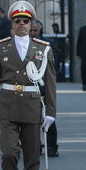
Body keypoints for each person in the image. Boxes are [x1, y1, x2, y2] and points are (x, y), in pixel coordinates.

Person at [0, 1, 56, 170]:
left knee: (32, 155)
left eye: (26, 20)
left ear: (31, 22)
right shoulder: (0, 47)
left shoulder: (43, 49)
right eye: (18, 21)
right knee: (9, 153)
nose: (22, 24)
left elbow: (50, 83)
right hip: (6, 106)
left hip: (33, 106)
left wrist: (51, 112)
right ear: (12, 23)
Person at [30, 19, 59, 157]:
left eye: (35, 30)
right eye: (31, 30)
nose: (32, 33)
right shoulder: (25, 44)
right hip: (30, 87)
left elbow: (54, 66)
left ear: (40, 30)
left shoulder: (48, 44)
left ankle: (52, 146)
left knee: (48, 118)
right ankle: (34, 147)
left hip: (44, 86)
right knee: (32, 120)